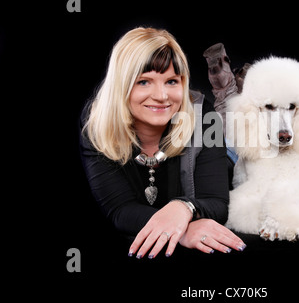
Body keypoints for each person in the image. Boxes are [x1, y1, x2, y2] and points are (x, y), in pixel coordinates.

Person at [80, 27, 246, 259]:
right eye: (144, 82)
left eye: (171, 81)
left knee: (242, 142)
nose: (161, 96)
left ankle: (232, 92)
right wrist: (182, 230)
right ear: (121, 85)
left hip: (228, 157)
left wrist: (182, 208)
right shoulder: (98, 125)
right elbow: (120, 210)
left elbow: (217, 203)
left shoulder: (201, 114)